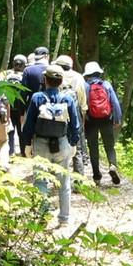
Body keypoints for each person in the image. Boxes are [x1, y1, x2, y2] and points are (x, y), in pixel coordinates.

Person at [22, 64, 81, 228]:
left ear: (45, 80)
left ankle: (42, 216)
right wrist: (73, 143)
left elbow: (29, 124)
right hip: (61, 143)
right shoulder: (67, 98)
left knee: (40, 182)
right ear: (61, 81)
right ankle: (64, 219)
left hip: (40, 143)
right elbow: (75, 125)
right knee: (64, 182)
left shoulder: (37, 98)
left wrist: (27, 144)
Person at [82, 61, 123, 185]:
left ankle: (97, 177)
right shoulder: (106, 85)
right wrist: (117, 119)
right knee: (109, 146)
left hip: (91, 121)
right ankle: (112, 165)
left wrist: (81, 123)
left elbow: (82, 106)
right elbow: (115, 103)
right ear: (99, 73)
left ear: (87, 74)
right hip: (106, 119)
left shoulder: (85, 86)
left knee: (93, 148)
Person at [54, 55, 89, 175]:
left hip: (59, 115)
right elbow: (83, 105)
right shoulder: (79, 78)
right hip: (76, 115)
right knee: (77, 147)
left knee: (59, 145)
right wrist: (82, 123)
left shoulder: (56, 77)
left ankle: (61, 178)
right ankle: (79, 180)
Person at [5, 54, 28, 155]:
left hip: (9, 107)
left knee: (10, 131)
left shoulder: (7, 75)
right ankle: (23, 152)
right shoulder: (24, 76)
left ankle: (10, 151)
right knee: (21, 131)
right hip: (20, 109)